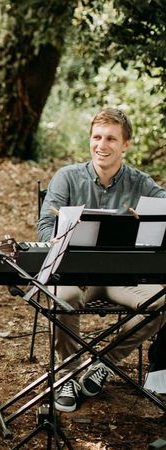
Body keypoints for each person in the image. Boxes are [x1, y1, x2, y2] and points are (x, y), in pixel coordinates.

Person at [38, 107, 166, 413]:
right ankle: (68, 375)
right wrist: (61, 236)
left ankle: (104, 363)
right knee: (62, 299)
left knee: (162, 301)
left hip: (121, 277)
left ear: (125, 145)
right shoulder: (67, 177)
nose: (102, 145)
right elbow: (44, 228)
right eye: (96, 137)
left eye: (111, 138)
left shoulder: (140, 182)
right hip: (73, 276)